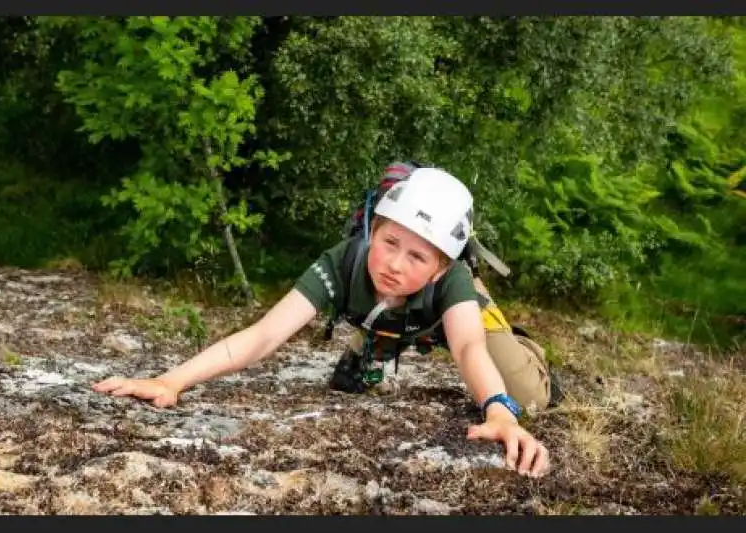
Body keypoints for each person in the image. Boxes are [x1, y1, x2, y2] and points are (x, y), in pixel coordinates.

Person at [93, 166, 551, 478]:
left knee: (524, 396)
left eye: (417, 256)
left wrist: (497, 410)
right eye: (389, 242)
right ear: (373, 229)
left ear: (440, 268)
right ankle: (374, 341)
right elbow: (264, 335)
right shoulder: (341, 263)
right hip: (389, 314)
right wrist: (171, 381)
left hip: (447, 318)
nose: (394, 263)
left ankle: (527, 353)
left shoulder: (452, 282)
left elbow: (469, 346)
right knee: (354, 378)